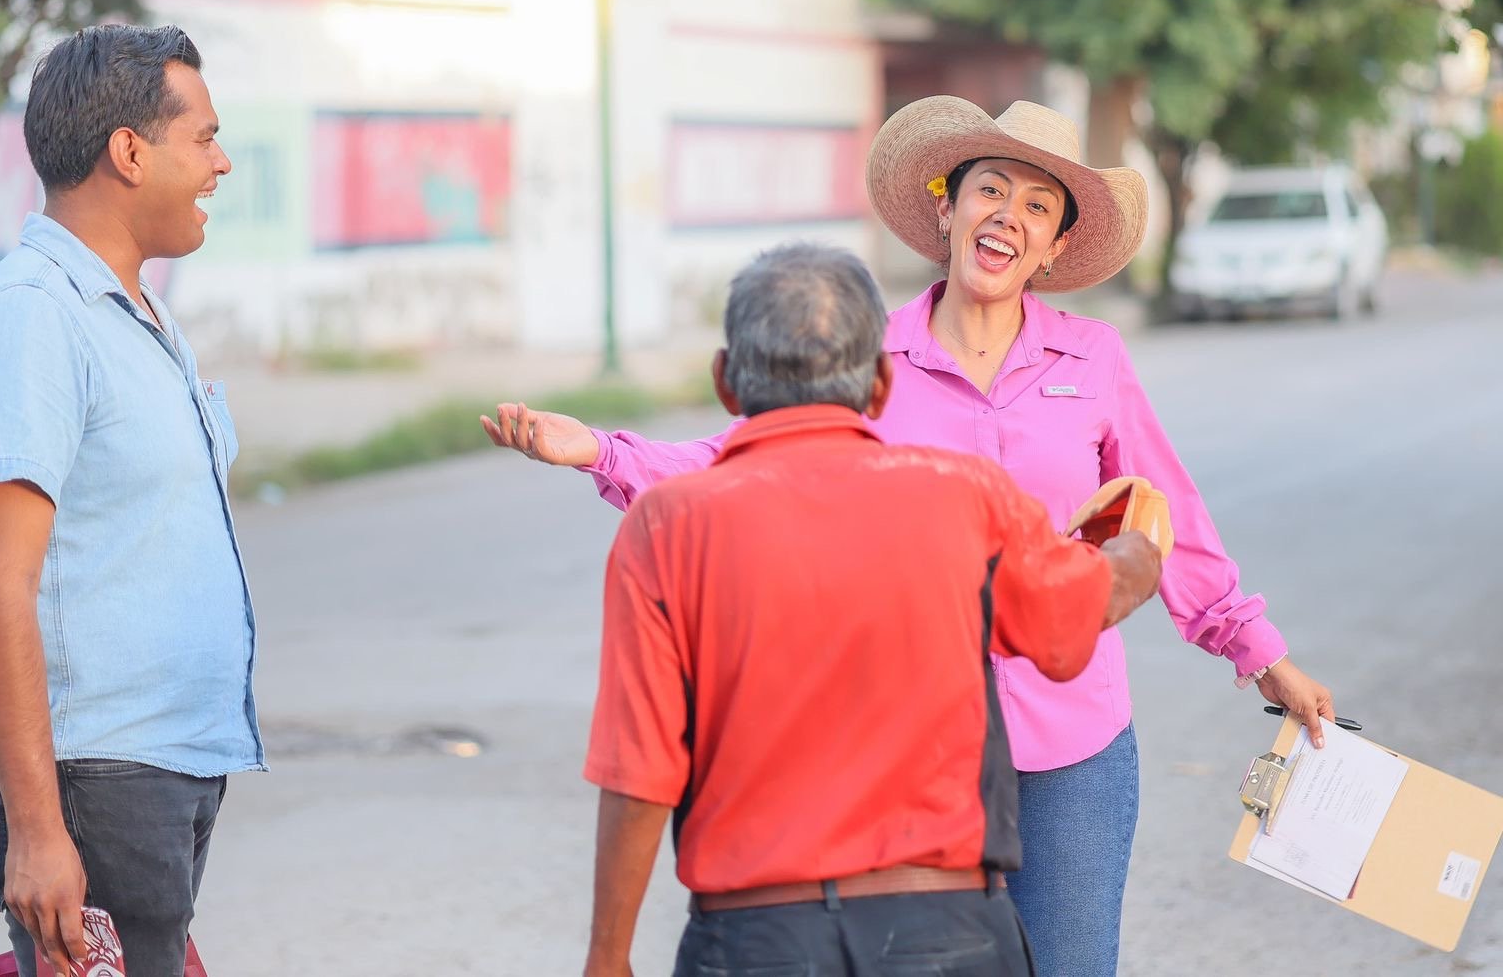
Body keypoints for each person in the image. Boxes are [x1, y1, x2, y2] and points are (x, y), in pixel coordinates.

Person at [484, 97, 1336, 975]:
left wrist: (1261, 654)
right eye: (989, 190)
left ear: (1050, 248)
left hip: (1070, 743)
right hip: (917, 753)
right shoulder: (871, 359)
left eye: (1037, 207)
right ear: (947, 209)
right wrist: (601, 451)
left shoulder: (1093, 360)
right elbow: (741, 464)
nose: (1008, 214)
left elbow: (1171, 512)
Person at [579, 243, 1164, 977]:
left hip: (754, 942)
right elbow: (1064, 626)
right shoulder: (964, 495)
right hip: (945, 936)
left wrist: (608, 955)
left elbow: (640, 770)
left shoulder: (667, 525)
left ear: (726, 383)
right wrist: (1133, 561)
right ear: (882, 384)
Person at [0, 24, 258, 977]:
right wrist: (37, 832)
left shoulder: (134, 315)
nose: (220, 163)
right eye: (202, 138)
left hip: (146, 772)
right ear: (129, 151)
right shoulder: (32, 320)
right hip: (87, 779)